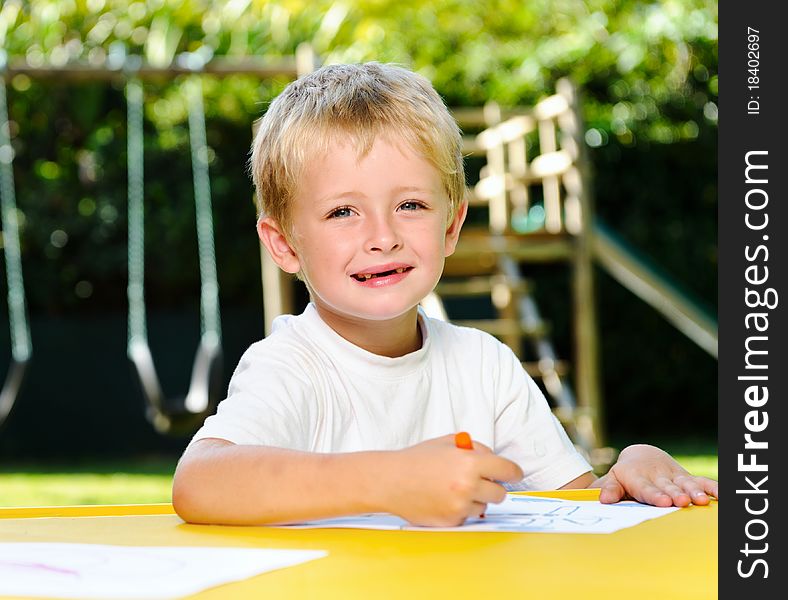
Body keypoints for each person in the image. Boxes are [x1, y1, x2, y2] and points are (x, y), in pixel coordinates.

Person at [172, 62, 718, 527]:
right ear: (285, 245)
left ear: (451, 226)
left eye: (410, 205)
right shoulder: (291, 367)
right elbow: (199, 484)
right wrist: (389, 479)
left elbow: (567, 509)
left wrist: (624, 478)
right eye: (343, 211)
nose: (382, 236)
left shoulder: (487, 366)